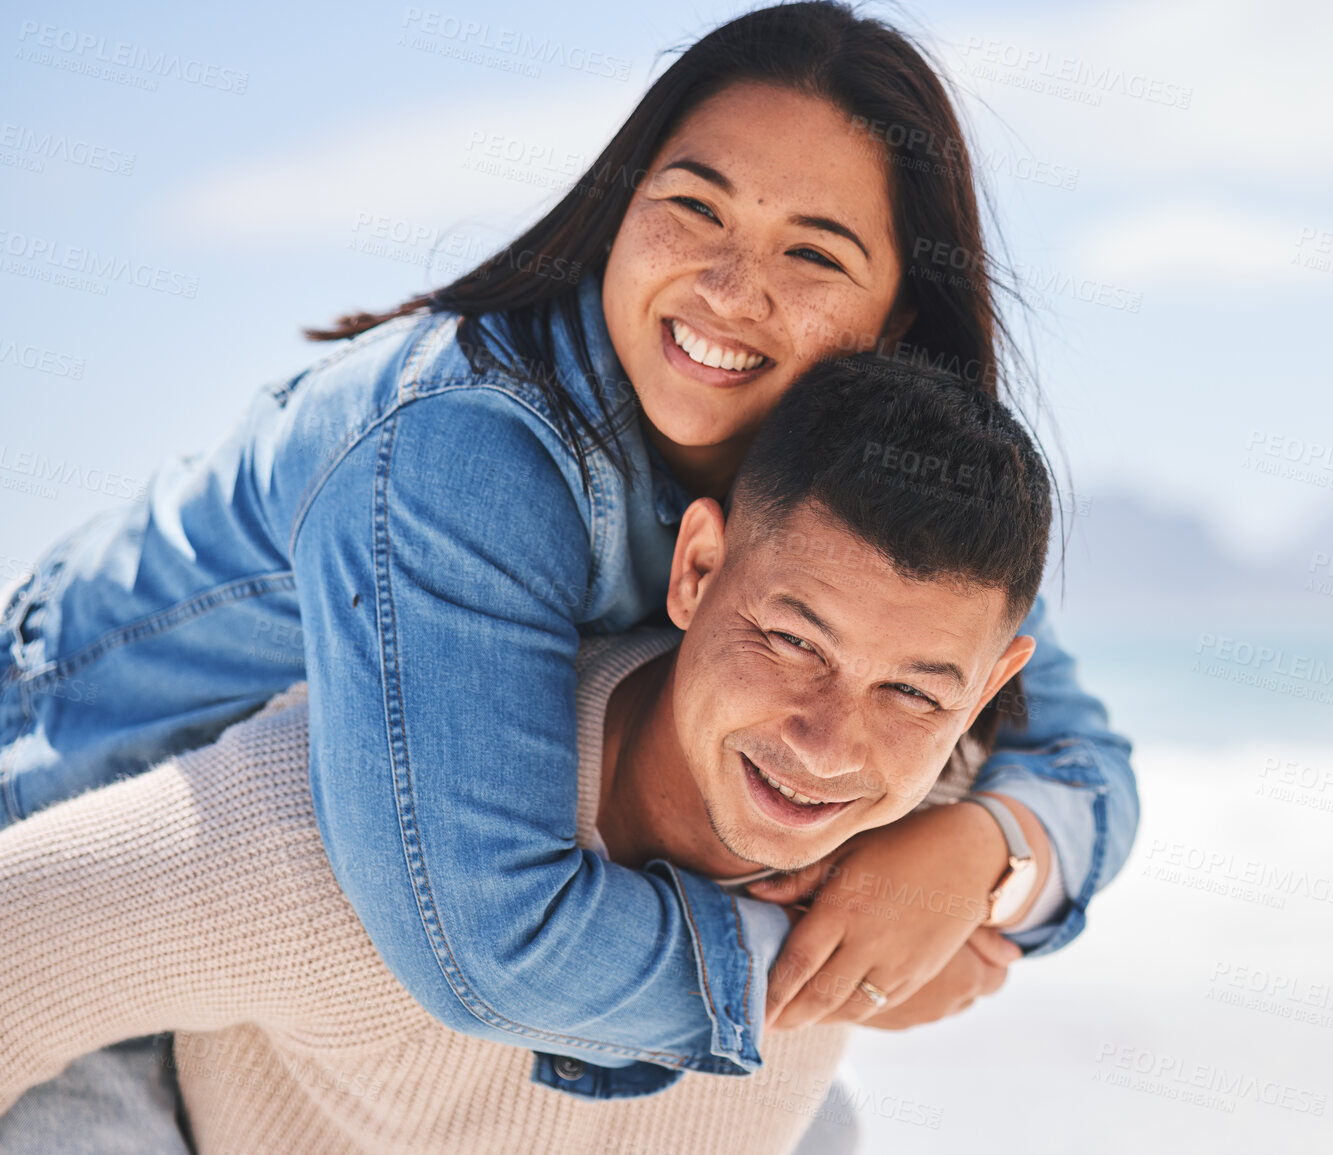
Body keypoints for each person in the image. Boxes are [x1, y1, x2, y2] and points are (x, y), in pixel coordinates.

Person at [0, 2, 1137, 1148]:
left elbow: (1074, 757)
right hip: (87, 830)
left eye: (811, 254)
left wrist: (977, 861)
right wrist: (831, 961)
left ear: (900, 325)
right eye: (692, 209)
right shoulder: (462, 444)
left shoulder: (863, 510)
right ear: (617, 218)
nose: (731, 288)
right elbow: (488, 936)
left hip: (304, 984)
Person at [1, 358, 1057, 1155]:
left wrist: (996, 853)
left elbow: (1084, 795)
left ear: (988, 685)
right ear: (695, 570)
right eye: (792, 641)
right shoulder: (336, 838)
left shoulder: (924, 827)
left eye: (914, 692)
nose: (828, 744)